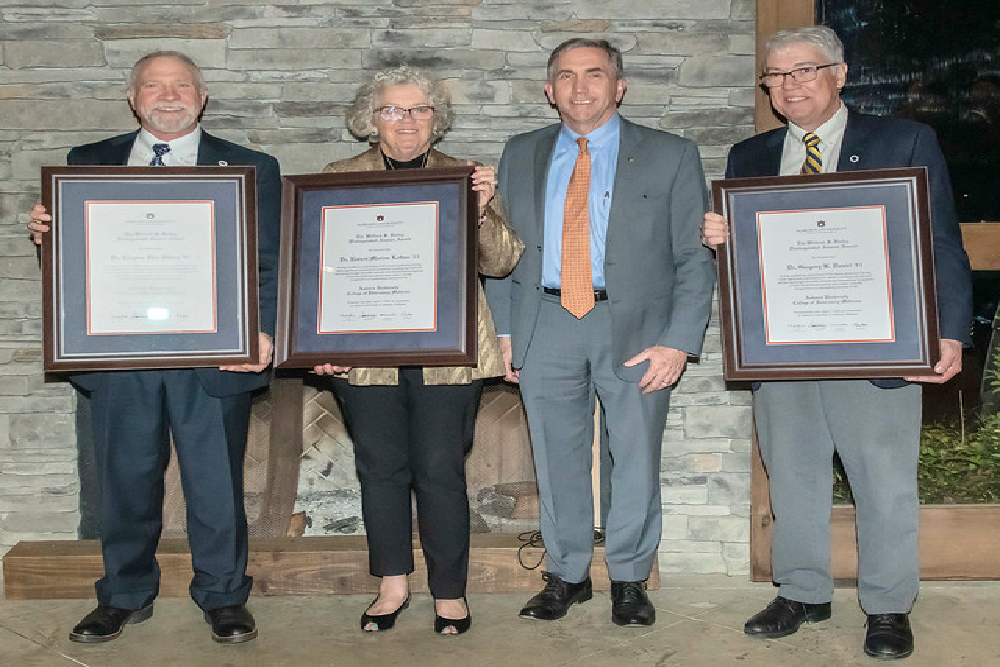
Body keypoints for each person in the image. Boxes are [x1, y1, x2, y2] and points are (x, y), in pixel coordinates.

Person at [701, 26, 972, 660]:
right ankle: (801, 590)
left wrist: (950, 332)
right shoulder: (750, 156)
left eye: (804, 70)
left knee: (884, 482)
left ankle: (886, 605)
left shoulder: (902, 140)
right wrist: (723, 238)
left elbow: (942, 244)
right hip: (783, 351)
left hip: (880, 349)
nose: (789, 85)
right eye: (776, 75)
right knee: (791, 479)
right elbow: (755, 262)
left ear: (840, 74)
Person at [27, 51, 281, 645]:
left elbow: (270, 259)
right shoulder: (87, 163)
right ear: (133, 97)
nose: (168, 96)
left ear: (203, 95)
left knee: (216, 485)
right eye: (153, 86)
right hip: (120, 356)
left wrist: (261, 330)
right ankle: (122, 595)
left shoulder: (250, 166)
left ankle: (222, 597)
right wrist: (48, 238)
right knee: (124, 480)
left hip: (215, 355)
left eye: (181, 86)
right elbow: (78, 267)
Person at [484, 38, 715, 627]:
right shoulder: (521, 152)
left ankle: (630, 578)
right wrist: (505, 332)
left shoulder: (671, 154)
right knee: (555, 456)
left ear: (619, 86)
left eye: (594, 75)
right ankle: (566, 574)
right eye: (565, 76)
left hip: (636, 327)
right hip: (545, 321)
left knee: (634, 456)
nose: (579, 87)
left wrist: (678, 341)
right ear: (548, 89)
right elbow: (502, 251)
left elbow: (694, 257)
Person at [312, 65, 524, 635]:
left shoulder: (465, 176)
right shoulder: (337, 177)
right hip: (364, 351)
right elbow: (317, 267)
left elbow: (501, 260)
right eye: (393, 110)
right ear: (370, 119)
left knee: (439, 470)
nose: (407, 121)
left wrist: (479, 209)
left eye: (420, 109)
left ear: (436, 119)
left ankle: (449, 592)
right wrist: (317, 342)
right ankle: (392, 585)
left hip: (449, 352)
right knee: (380, 469)